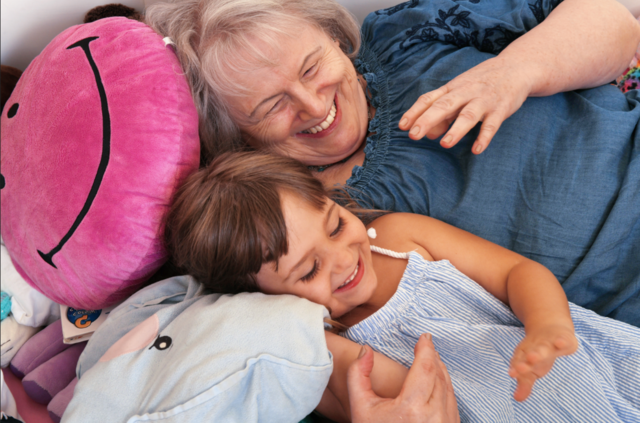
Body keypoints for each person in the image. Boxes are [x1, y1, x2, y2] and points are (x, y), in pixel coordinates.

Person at [146, 0, 640, 326]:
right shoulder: (310, 221)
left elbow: (616, 25)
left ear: (332, 35)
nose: (315, 108)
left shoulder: (408, 37)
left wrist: (515, 71)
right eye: (272, 106)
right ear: (236, 134)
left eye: (313, 67)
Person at [164, 151, 640, 423]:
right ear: (262, 299)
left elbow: (517, 272)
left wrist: (545, 323)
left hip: (598, 363)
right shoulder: (322, 346)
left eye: (334, 226)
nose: (343, 259)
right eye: (308, 271)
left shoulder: (398, 238)